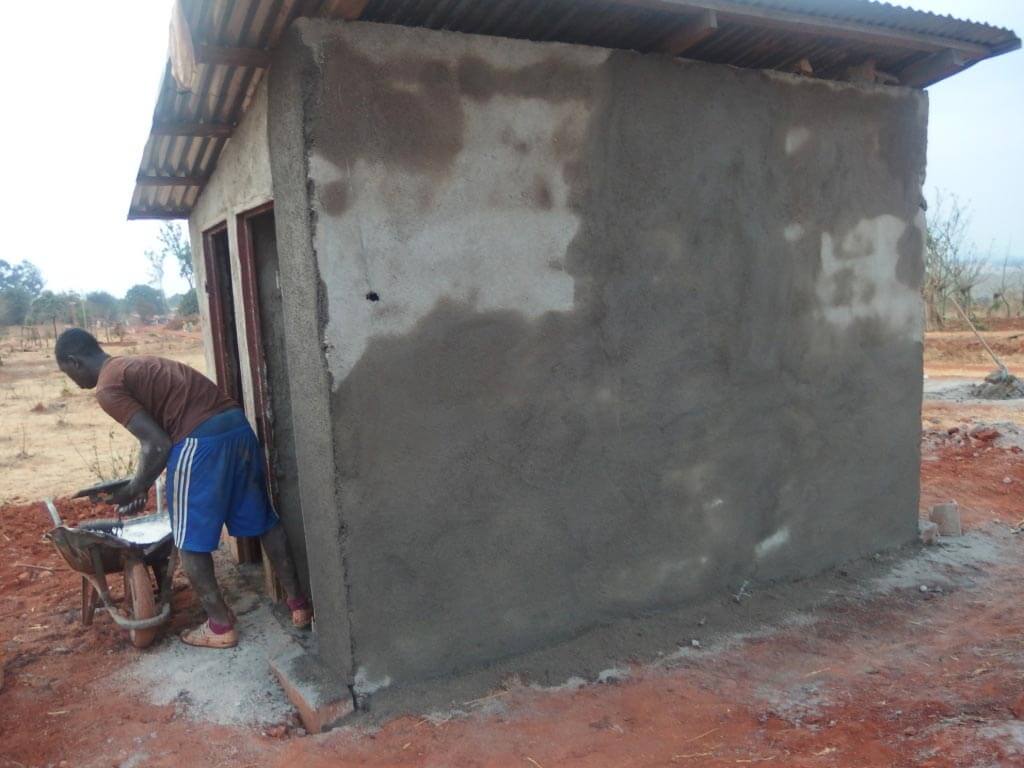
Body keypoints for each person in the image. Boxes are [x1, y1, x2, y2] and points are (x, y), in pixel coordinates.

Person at [55, 327, 311, 649]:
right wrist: (140, 483)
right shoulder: (135, 364)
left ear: (74, 361)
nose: (73, 382)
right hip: (237, 429)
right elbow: (159, 438)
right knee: (264, 520)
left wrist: (136, 489)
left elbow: (158, 444)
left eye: (68, 374)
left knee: (188, 538)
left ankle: (220, 626)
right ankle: (299, 606)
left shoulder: (108, 387)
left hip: (200, 442)